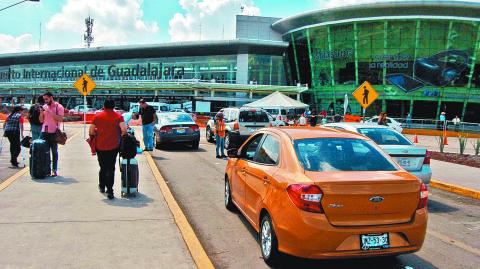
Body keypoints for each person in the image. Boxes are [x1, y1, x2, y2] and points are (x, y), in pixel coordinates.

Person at [89, 99, 127, 199]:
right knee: (111, 168)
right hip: (113, 146)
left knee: (102, 167)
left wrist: (98, 132)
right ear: (114, 106)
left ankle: (102, 186)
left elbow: (91, 131)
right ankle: (110, 191)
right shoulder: (119, 117)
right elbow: (124, 130)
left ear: (104, 106)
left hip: (100, 146)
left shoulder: (97, 116)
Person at [42, 92, 64, 177]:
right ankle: (47, 170)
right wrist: (41, 112)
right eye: (44, 99)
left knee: (54, 152)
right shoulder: (45, 107)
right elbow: (41, 120)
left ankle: (54, 170)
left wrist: (49, 111)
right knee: (45, 152)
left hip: (54, 132)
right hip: (44, 131)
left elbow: (60, 119)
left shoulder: (59, 107)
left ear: (51, 97)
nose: (45, 101)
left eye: (46, 99)